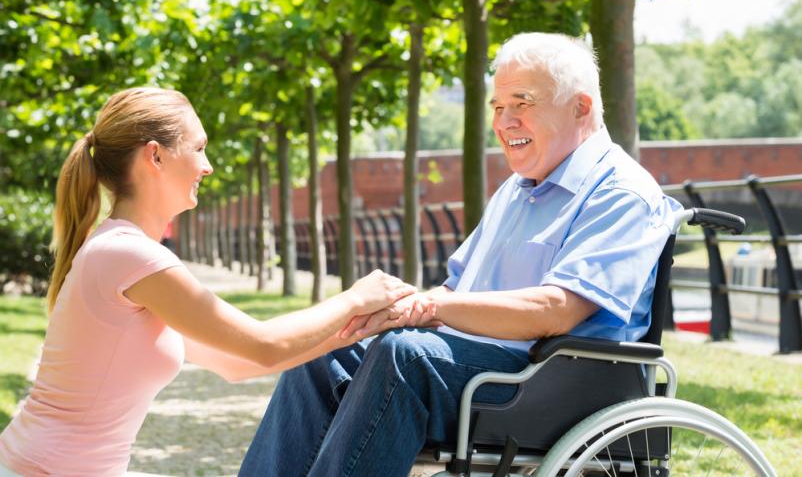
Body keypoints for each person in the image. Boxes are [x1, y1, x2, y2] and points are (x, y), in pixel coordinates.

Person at [238, 32, 682, 477]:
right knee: (326, 350)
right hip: (484, 366)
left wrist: (433, 307)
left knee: (406, 355)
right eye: (496, 107)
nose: (504, 122)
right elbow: (455, 290)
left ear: (580, 107)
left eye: (521, 103)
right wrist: (392, 310)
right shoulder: (515, 191)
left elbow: (557, 310)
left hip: (555, 380)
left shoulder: (621, 192)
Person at [0, 87, 435, 476]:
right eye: (199, 148)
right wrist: (355, 298)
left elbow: (237, 363)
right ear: (155, 156)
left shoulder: (125, 252)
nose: (208, 166)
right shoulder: (128, 255)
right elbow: (263, 344)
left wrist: (364, 327)